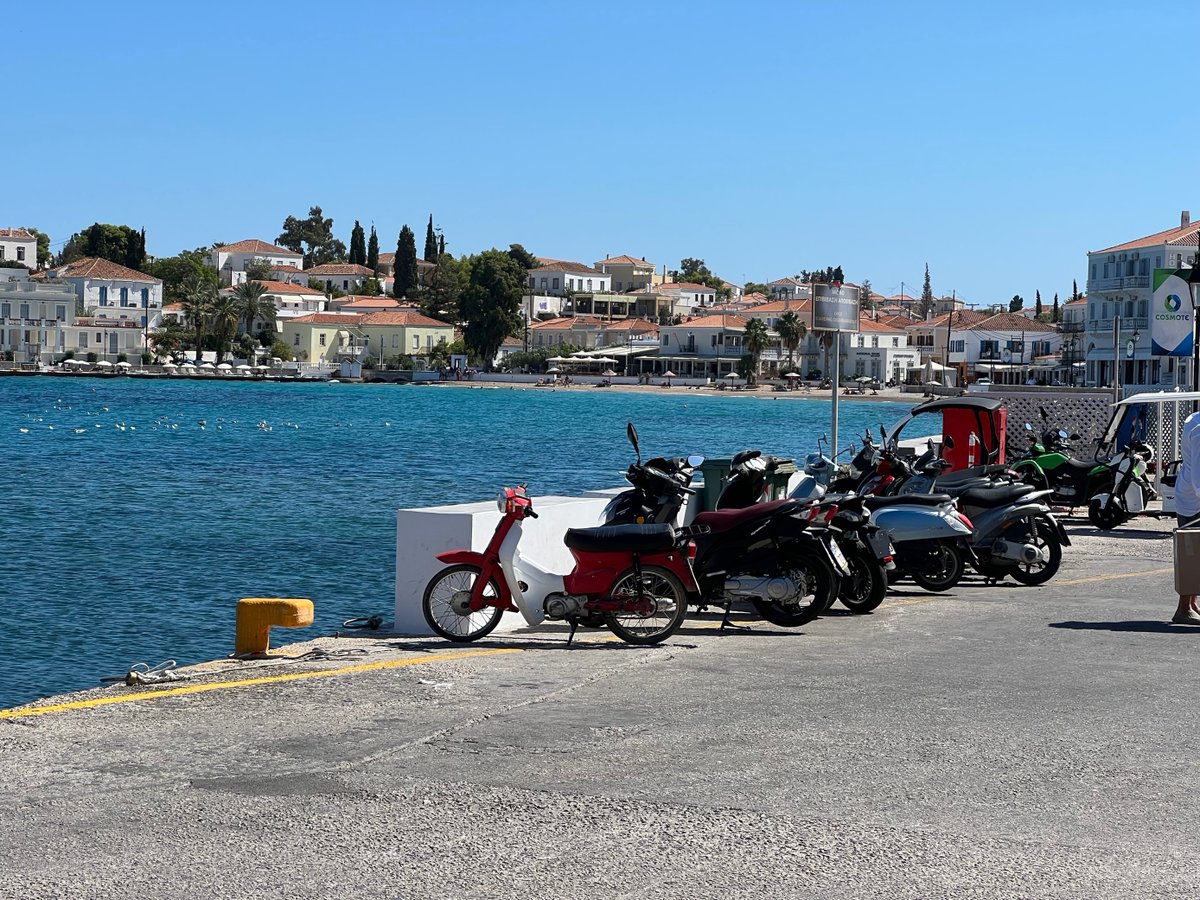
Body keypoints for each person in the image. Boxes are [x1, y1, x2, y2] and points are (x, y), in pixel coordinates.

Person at [1174, 410, 1200, 624]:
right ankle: (1184, 609)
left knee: (1194, 556)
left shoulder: (1195, 419)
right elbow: (1199, 476)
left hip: (1189, 497)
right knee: (1192, 557)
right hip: (1195, 502)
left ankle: (1191, 604)